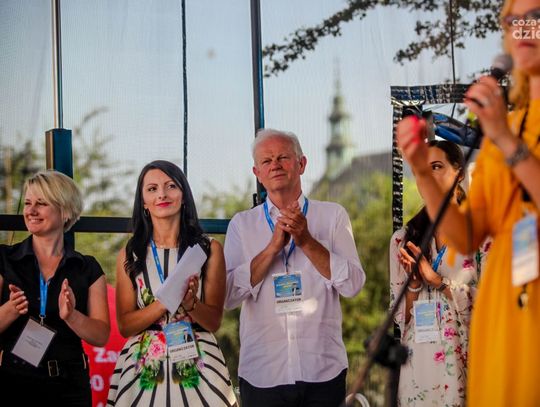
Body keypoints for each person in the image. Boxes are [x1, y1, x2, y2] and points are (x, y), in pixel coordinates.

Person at [397, 0, 540, 404]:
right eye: (512, 20)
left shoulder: (503, 133)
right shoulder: (507, 127)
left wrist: (505, 139)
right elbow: (466, 235)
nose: (522, 29)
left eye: (535, 18)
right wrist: (421, 170)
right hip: (504, 308)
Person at [224, 129, 365, 407]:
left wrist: (307, 241)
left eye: (283, 157)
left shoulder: (333, 216)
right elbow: (228, 296)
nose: (275, 165)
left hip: (323, 369)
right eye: (266, 161)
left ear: (302, 164)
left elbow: (353, 285)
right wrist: (272, 249)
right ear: (257, 173)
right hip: (262, 373)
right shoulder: (242, 225)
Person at [108, 160, 237, 406]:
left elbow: (213, 321)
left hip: (199, 366)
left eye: (170, 186)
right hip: (143, 372)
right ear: (143, 202)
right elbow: (125, 326)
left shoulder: (209, 249)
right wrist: (164, 302)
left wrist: (190, 304)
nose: (162, 194)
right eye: (152, 189)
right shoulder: (130, 254)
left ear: (184, 195)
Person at [389, 140, 489, 406]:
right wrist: (413, 286)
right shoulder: (402, 239)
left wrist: (438, 282)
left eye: (436, 167)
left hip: (468, 362)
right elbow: (400, 319)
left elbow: (493, 305)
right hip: (419, 368)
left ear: (459, 173)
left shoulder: (482, 235)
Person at [0, 170, 110, 406]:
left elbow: (101, 336)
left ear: (66, 211)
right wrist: (9, 310)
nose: (31, 210)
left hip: (69, 387)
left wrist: (72, 316)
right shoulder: (4, 259)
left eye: (41, 203)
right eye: (27, 203)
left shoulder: (87, 267)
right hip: (10, 383)